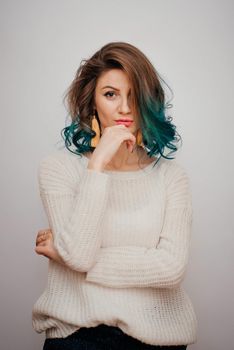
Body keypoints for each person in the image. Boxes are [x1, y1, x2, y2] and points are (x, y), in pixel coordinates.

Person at [32, 41, 198, 350]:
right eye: (111, 94)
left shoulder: (171, 177)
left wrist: (66, 256)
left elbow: (171, 268)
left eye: (134, 96)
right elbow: (79, 253)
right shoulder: (58, 169)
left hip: (159, 338)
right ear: (92, 102)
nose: (124, 108)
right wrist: (96, 166)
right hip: (78, 335)